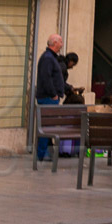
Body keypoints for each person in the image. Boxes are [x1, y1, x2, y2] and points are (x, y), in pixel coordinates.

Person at [34, 34, 67, 162]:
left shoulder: (50, 57)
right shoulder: (48, 58)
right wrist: (53, 94)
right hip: (48, 98)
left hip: (50, 97)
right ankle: (41, 154)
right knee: (46, 127)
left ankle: (45, 153)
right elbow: (46, 78)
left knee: (47, 127)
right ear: (54, 43)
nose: (62, 44)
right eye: (60, 41)